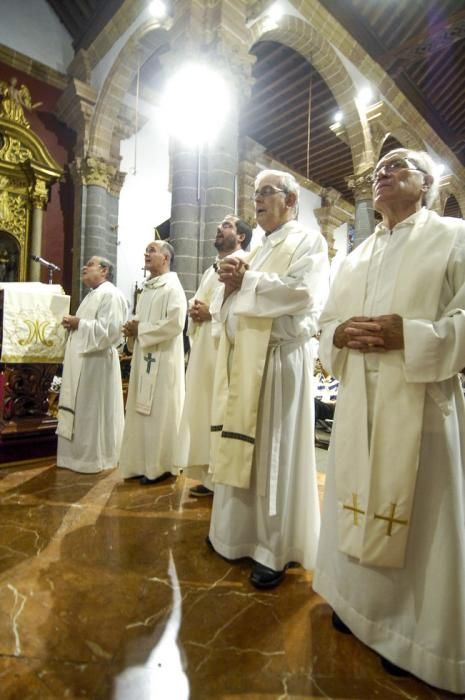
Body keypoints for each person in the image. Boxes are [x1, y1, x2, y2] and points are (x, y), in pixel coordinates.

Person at [313, 148, 465, 694]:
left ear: (424, 184)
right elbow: (326, 322)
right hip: (360, 403)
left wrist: (415, 336)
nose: (383, 173)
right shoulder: (355, 256)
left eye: (398, 166)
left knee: (419, 513)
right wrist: (338, 334)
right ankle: (356, 606)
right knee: (355, 493)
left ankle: (410, 634)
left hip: (420, 398)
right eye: (380, 169)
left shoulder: (452, 235)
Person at [207, 169, 329, 589]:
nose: (257, 199)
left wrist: (247, 281)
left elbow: (303, 294)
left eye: (267, 192)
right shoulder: (257, 247)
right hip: (248, 359)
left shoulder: (308, 240)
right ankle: (236, 533)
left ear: (291, 200)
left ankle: (272, 549)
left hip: (279, 360)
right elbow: (236, 305)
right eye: (255, 193)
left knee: (274, 453)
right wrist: (229, 292)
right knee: (246, 450)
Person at [177, 215, 252, 497]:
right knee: (205, 411)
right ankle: (210, 476)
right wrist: (195, 310)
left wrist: (211, 312)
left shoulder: (245, 261)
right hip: (205, 350)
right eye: (219, 225)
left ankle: (224, 477)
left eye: (227, 226)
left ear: (241, 236)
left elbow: (243, 303)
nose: (219, 228)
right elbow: (199, 301)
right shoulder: (212, 270)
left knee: (221, 409)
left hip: (225, 349)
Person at [119, 240, 187, 485]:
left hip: (164, 361)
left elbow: (175, 323)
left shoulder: (172, 287)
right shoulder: (148, 288)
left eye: (152, 250)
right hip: (144, 357)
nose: (146, 253)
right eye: (146, 249)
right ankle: (139, 463)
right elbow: (140, 320)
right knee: (140, 411)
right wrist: (131, 330)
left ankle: (160, 466)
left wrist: (142, 329)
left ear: (166, 258)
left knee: (160, 412)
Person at [56, 256, 128, 473]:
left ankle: (94, 459)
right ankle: (76, 457)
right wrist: (75, 326)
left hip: (96, 364)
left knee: (92, 412)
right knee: (82, 410)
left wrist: (79, 324)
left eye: (90, 265)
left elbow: (111, 331)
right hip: (82, 362)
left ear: (104, 271)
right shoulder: (93, 295)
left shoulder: (111, 294)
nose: (84, 267)